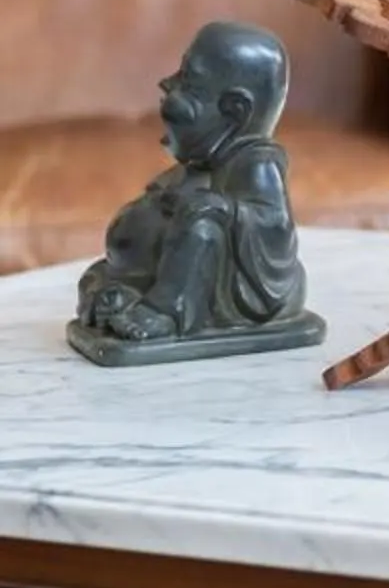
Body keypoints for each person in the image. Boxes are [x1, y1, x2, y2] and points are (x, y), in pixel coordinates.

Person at [74, 21, 311, 347]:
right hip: (153, 263)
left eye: (188, 83)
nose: (166, 84)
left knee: (202, 225)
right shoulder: (199, 165)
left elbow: (276, 226)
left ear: (234, 113)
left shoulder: (255, 163)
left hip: (244, 289)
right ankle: (120, 293)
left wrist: (218, 209)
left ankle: (166, 311)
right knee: (119, 247)